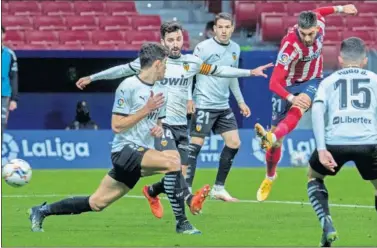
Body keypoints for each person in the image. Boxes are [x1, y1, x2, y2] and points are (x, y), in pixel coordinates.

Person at [75, 21, 272, 217]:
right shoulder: (153, 63)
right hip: (162, 124)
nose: (175, 44)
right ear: (162, 42)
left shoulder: (191, 63)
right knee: (174, 166)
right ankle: (186, 213)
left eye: (178, 39)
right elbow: (121, 70)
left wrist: (250, 72)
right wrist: (92, 78)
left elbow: (218, 71)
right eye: (170, 40)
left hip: (181, 124)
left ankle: (152, 191)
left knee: (180, 174)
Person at [28, 43, 202, 235]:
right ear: (157, 64)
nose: (167, 68)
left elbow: (158, 123)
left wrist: (158, 130)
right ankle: (181, 221)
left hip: (140, 152)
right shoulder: (128, 86)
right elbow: (117, 126)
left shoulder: (161, 91)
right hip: (124, 151)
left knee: (96, 203)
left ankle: (41, 211)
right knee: (174, 162)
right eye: (166, 64)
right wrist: (146, 109)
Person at [253, 4, 358, 202]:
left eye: (310, 34)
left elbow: (320, 10)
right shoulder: (290, 47)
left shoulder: (319, 23)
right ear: (298, 28)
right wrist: (291, 97)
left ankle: (271, 135)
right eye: (303, 33)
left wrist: (343, 8)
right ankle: (270, 176)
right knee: (276, 146)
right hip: (286, 86)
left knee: (299, 107)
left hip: (312, 81)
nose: (307, 38)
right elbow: (274, 83)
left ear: (317, 28)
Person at [307, 37, 377, 247]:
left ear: (340, 59)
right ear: (365, 60)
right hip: (369, 141)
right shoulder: (374, 79)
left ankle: (326, 222)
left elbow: (317, 113)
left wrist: (321, 149)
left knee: (313, 177)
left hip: (334, 141)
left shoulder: (328, 81)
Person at [185, 13, 251, 201]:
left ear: (232, 28)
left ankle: (218, 188)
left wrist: (240, 101)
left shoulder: (235, 49)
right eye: (220, 27)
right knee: (195, 146)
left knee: (234, 143)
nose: (223, 30)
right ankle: (186, 189)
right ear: (214, 29)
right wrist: (189, 98)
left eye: (227, 27)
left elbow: (232, 77)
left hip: (223, 105)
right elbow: (189, 72)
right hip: (204, 104)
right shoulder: (203, 48)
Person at [1, 25, 18, 142]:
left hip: (4, 95)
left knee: (1, 125)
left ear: (3, 35)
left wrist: (14, 99)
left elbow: (14, 77)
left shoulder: (10, 54)